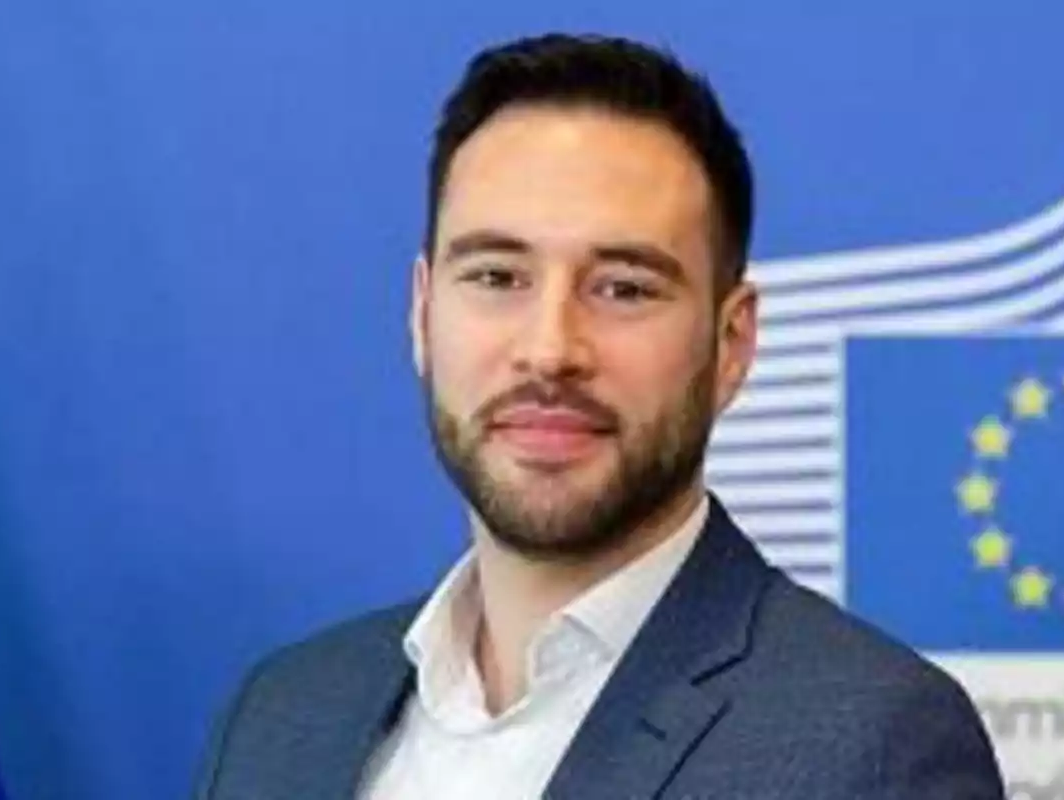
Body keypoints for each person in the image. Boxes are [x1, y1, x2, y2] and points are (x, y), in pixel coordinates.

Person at [193, 32, 1006, 799]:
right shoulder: (279, 717)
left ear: (731, 342)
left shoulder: (874, 746)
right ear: (421, 313)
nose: (549, 350)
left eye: (624, 288)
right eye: (497, 277)